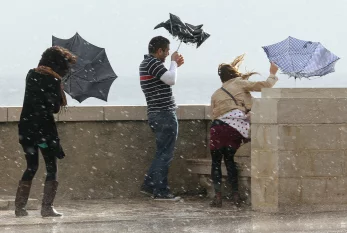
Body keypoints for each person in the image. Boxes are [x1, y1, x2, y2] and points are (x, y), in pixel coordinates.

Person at [209, 54, 278, 207]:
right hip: (234, 128)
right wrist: (273, 73)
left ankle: (218, 196)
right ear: (234, 74)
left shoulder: (216, 93)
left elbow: (213, 114)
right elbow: (265, 86)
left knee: (215, 163)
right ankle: (235, 196)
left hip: (217, 128)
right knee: (229, 161)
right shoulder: (240, 83)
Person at [15, 46, 77, 217]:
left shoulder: (31, 75)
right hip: (43, 132)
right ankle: (47, 208)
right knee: (51, 167)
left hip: (26, 128)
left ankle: (20, 207)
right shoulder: (54, 81)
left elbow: (36, 101)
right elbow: (54, 108)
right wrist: (59, 91)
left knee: (31, 166)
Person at [139, 36, 184, 200]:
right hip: (164, 113)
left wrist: (174, 65)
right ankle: (161, 190)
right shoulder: (152, 63)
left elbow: (168, 77)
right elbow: (171, 80)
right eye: (167, 51)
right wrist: (173, 63)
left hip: (155, 113)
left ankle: (150, 185)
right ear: (159, 51)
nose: (168, 54)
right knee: (166, 153)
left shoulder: (147, 64)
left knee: (161, 152)